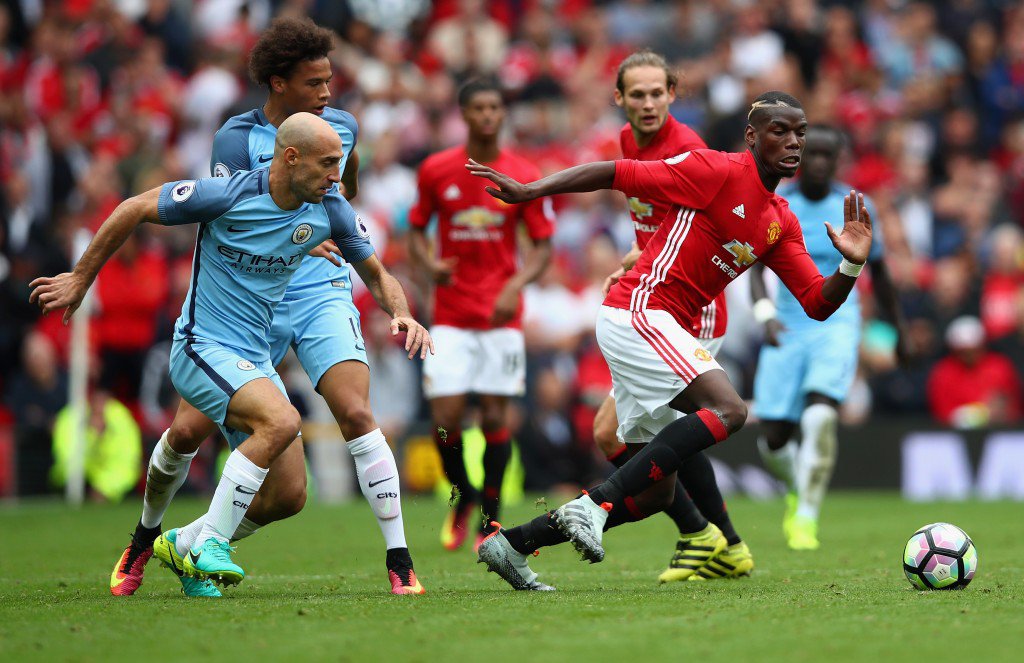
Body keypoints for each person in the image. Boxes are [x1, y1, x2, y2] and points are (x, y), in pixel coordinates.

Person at [469, 91, 873, 590]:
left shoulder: (780, 220)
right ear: (752, 136)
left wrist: (850, 265)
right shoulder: (716, 170)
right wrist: (532, 190)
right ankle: (592, 506)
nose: (794, 143)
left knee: (657, 494)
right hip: (638, 310)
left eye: (800, 132)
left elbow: (816, 301)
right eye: (780, 131)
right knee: (730, 410)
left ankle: (512, 544)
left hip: (661, 326)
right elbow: (615, 172)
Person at [30, 113, 433, 595]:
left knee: (290, 495)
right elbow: (134, 207)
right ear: (290, 157)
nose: (337, 178)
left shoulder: (329, 209)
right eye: (328, 165)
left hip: (254, 360)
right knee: (267, 423)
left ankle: (182, 543)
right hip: (201, 347)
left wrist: (403, 312)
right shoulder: (226, 195)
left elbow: (378, 273)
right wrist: (80, 278)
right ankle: (182, 542)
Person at [107, 16, 428, 598]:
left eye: (331, 81)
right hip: (248, 302)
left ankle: (398, 560)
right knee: (189, 428)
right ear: (278, 84)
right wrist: (301, 226)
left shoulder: (343, 130)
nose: (328, 94)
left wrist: (331, 216)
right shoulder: (235, 140)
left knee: (352, 415)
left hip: (319, 286)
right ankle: (145, 538)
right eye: (314, 83)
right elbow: (236, 216)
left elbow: (345, 184)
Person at [592, 50, 752, 583]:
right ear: (620, 99)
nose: (647, 103)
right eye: (636, 94)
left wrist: (640, 263)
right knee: (628, 434)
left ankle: (706, 534)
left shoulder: (688, 148)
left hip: (691, 305)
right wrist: (633, 264)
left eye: (656, 92)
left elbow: (705, 224)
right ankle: (717, 540)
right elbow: (652, 227)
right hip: (652, 298)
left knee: (624, 432)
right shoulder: (625, 142)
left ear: (672, 94)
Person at [408, 77, 554, 551]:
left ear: (503, 114)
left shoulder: (521, 172)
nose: (489, 115)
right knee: (445, 420)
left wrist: (515, 285)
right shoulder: (436, 169)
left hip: (498, 316)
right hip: (449, 314)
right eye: (480, 108)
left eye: (496, 107)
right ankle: (464, 496)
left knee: (495, 419)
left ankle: (490, 520)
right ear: (464, 114)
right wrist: (429, 264)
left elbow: (542, 246)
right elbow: (415, 230)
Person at [750, 125, 905, 551]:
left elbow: (882, 274)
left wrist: (898, 332)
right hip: (786, 326)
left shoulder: (854, 206)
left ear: (838, 160)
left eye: (826, 155)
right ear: (797, 157)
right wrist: (764, 316)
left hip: (836, 325)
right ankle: (799, 488)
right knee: (773, 438)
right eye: (809, 154)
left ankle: (806, 516)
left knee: (820, 418)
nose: (816, 162)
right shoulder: (779, 204)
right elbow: (755, 268)